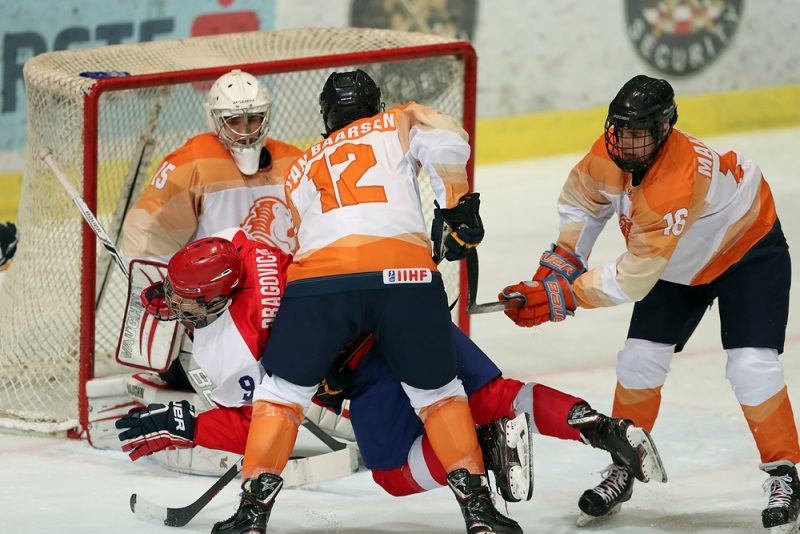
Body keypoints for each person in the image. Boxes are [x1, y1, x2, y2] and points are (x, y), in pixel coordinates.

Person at [116, 229, 665, 518]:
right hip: (400, 299)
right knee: (495, 393)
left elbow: (261, 424)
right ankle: (601, 426)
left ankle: (488, 446)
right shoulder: (245, 242)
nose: (176, 307)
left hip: (369, 367)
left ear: (217, 298)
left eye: (188, 300)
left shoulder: (232, 344)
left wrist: (191, 422)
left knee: (394, 475)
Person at [210, 68, 521, 534]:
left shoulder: (302, 165)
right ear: (375, 104)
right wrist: (455, 206)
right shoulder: (398, 120)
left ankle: (250, 517)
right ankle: (479, 514)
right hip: (408, 277)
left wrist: (330, 341)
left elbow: (298, 241)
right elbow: (447, 137)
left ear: (326, 116)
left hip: (319, 285)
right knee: (438, 396)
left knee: (281, 396)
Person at [499, 74, 800, 531]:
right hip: (677, 264)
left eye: (639, 134)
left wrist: (562, 297)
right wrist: (557, 269)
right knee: (638, 361)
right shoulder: (608, 153)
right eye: (620, 130)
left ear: (664, 131)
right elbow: (582, 207)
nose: (626, 143)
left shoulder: (675, 184)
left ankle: (785, 473)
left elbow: (633, 278)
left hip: (747, 253)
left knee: (751, 365)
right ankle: (625, 464)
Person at [120, 68, 302, 262]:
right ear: (214, 120)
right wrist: (160, 285)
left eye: (253, 119)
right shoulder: (192, 162)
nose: (244, 131)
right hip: (217, 289)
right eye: (234, 121)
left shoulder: (295, 161)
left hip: (288, 285)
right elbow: (148, 237)